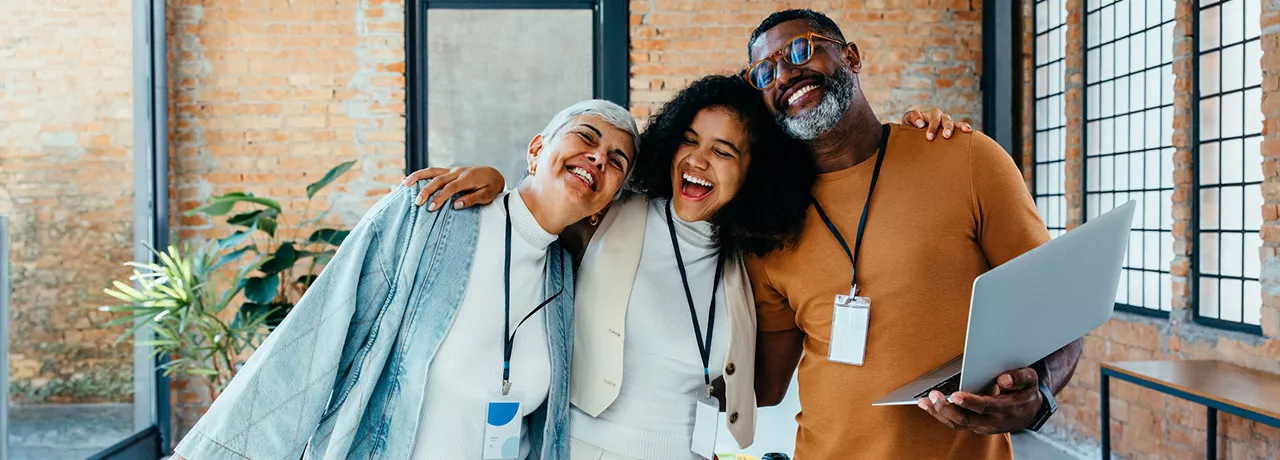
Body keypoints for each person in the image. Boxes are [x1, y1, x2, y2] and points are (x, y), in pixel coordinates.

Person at [402, 84, 960, 459]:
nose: (697, 160)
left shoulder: (754, 260)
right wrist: (495, 177)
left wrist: (912, 134)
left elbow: (763, 389)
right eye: (689, 141)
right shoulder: (605, 215)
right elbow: (541, 200)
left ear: (752, 174)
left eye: (724, 151)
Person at [171, 100, 639, 460]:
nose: (599, 157)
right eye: (586, 137)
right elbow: (315, 335)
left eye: (617, 160)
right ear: (537, 150)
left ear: (609, 200)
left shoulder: (566, 276)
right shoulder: (431, 213)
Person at [744, 9, 1083, 460]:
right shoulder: (771, 223)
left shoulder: (964, 159)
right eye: (764, 72)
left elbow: (1057, 306)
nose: (784, 74)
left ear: (851, 56)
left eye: (800, 49)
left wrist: (1039, 393)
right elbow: (764, 386)